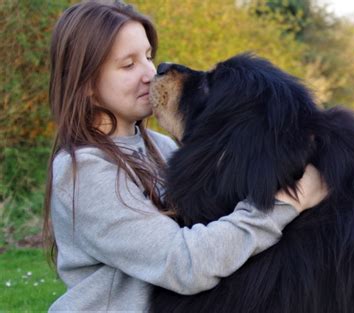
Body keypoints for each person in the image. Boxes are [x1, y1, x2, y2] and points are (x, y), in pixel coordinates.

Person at [43, 1, 328, 311]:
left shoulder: (161, 147)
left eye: (148, 57)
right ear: (85, 83)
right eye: (128, 65)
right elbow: (183, 263)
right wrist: (284, 205)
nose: (150, 73)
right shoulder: (83, 172)